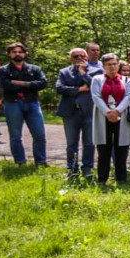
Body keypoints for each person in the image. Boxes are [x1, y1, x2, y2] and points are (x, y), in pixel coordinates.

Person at [0, 42, 48, 167]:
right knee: (15, 136)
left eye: (20, 52)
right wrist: (30, 84)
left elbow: (43, 83)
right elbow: (6, 86)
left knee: (39, 134)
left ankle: (41, 162)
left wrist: (23, 84)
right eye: (14, 52)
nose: (17, 54)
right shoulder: (4, 70)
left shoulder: (34, 69)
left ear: (24, 53)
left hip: (32, 103)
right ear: (9, 54)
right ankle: (20, 162)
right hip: (12, 104)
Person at [55, 47, 100, 178]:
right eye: (76, 56)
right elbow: (59, 88)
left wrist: (83, 73)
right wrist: (79, 89)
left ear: (87, 57)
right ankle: (72, 168)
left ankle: (87, 168)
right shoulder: (64, 72)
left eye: (82, 56)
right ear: (70, 59)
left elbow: (95, 85)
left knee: (89, 143)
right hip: (70, 112)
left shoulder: (97, 71)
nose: (80, 58)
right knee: (71, 143)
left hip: (89, 111)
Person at [91, 53, 130, 184]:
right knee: (104, 148)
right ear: (103, 66)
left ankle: (121, 178)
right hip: (103, 116)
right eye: (109, 64)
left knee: (121, 148)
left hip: (122, 116)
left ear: (118, 64)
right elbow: (96, 97)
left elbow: (129, 96)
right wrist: (108, 112)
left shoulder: (126, 80)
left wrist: (117, 111)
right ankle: (102, 178)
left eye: (114, 64)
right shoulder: (97, 79)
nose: (112, 67)